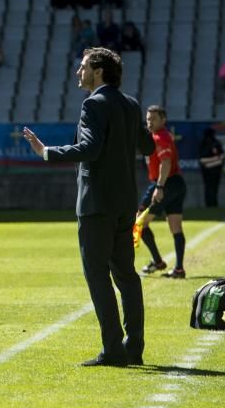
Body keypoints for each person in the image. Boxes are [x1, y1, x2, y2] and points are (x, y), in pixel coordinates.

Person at [23, 48, 154, 366]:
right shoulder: (131, 104)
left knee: (98, 276)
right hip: (125, 203)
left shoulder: (93, 103)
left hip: (96, 204)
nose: (77, 72)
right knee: (127, 275)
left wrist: (46, 152)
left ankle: (113, 350)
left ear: (98, 71)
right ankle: (134, 346)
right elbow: (148, 145)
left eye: (82, 67)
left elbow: (90, 149)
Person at [134, 105, 189, 279]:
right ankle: (178, 269)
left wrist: (159, 187)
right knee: (175, 227)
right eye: (148, 119)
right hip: (177, 183)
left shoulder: (159, 137)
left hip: (165, 184)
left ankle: (158, 262)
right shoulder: (161, 136)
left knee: (139, 222)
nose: (149, 122)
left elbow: (165, 163)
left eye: (154, 119)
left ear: (163, 120)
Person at [198, 128, 225, 207]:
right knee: (208, 187)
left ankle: (214, 203)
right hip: (207, 170)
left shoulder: (216, 143)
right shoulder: (203, 144)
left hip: (216, 169)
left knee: (214, 187)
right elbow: (201, 159)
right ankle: (209, 203)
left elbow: (222, 156)